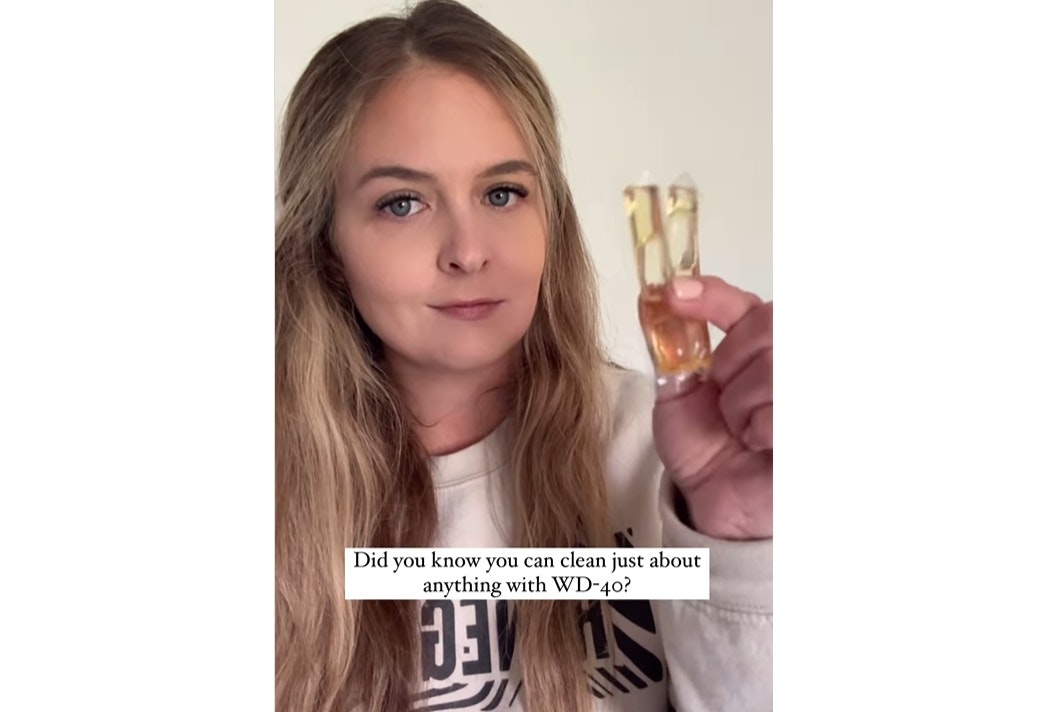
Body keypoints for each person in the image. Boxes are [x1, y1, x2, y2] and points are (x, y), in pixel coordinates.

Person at [275, 1, 772, 710]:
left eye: (503, 193)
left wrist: (742, 541)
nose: (468, 251)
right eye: (403, 203)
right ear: (326, 242)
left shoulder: (669, 457)